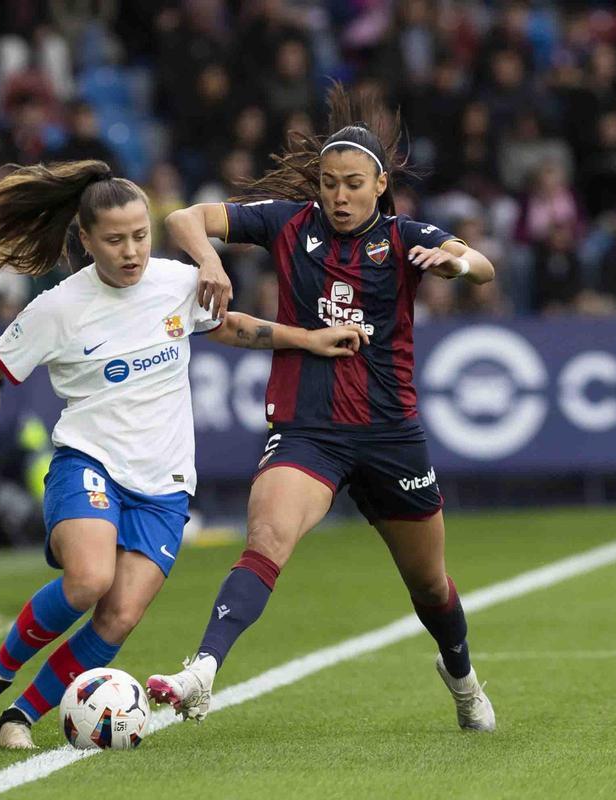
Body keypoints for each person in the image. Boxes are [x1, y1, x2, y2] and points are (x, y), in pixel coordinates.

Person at [0, 159, 366, 749]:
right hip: (88, 462)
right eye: (116, 240)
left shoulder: (175, 283)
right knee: (89, 579)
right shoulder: (58, 308)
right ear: (88, 240)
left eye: (141, 235)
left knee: (120, 615)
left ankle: (18, 719)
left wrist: (306, 338)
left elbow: (226, 326)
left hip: (166, 483)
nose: (131, 251)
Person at [146, 83, 498, 733]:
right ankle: (203, 668)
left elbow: (480, 266)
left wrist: (455, 264)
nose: (339, 196)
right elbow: (183, 218)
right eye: (330, 183)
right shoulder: (287, 223)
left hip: (391, 434)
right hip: (309, 430)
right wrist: (208, 264)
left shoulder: (403, 239)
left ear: (380, 184)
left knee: (429, 585)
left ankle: (462, 676)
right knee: (267, 539)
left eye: (353, 184)